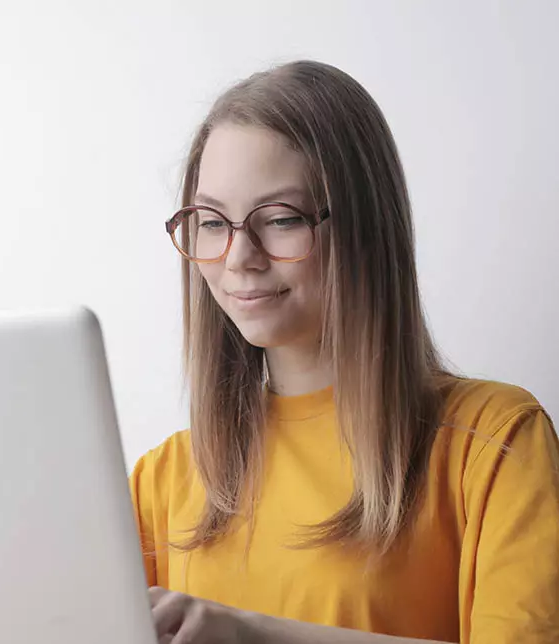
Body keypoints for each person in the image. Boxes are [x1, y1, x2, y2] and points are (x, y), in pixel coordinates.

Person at [130, 60, 559, 644]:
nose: (238, 257)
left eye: (280, 219)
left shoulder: (494, 440)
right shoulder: (163, 478)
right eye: (211, 222)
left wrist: (253, 634)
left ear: (365, 227)